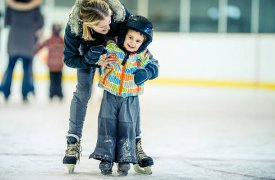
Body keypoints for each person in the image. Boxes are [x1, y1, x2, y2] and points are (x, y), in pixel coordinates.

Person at [62, 0, 158, 174]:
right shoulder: (74, 28)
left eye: (109, 22)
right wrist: (92, 60)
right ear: (88, 25)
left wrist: (146, 69)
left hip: (115, 53)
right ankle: (73, 143)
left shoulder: (119, 15)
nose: (109, 26)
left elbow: (138, 38)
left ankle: (135, 146)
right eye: (102, 26)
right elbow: (69, 59)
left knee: (129, 95)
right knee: (83, 93)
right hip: (88, 54)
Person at [89, 15, 157, 176]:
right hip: (110, 94)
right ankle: (105, 158)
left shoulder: (143, 55)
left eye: (137, 41)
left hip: (130, 98)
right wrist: (99, 57)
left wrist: (147, 72)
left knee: (127, 128)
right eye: (130, 37)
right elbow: (98, 56)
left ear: (143, 43)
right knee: (107, 125)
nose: (132, 42)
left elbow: (155, 65)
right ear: (124, 35)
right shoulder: (112, 47)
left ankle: (125, 159)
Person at [0, 0, 44, 103]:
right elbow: (40, 23)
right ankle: (25, 93)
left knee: (10, 67)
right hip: (28, 41)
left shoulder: (10, 7)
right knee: (27, 69)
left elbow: (7, 22)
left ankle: (6, 92)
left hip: (13, 41)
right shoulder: (35, 8)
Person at [35, 23, 64, 101]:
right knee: (58, 81)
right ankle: (59, 94)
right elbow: (69, 49)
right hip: (58, 65)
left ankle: (52, 94)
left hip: (52, 65)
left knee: (53, 81)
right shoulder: (62, 40)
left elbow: (40, 47)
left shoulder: (50, 40)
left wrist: (34, 51)